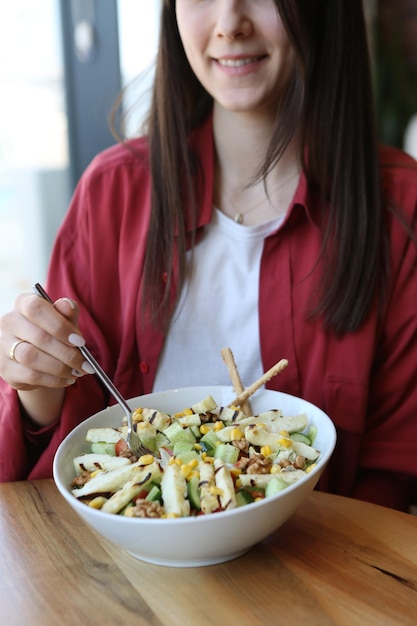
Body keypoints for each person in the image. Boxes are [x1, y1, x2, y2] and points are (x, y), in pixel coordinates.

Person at [0, 0, 417, 511]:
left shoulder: (401, 210)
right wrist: (34, 379)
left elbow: (393, 481)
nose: (229, 24)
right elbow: (67, 450)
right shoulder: (112, 193)